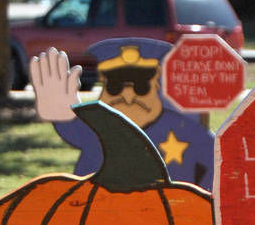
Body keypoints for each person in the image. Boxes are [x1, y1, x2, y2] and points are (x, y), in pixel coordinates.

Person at [34, 38, 216, 191]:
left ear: (157, 83)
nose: (128, 96)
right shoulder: (96, 127)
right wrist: (61, 114)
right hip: (100, 219)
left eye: (140, 86)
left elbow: (214, 163)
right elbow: (73, 127)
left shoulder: (185, 130)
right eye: (115, 86)